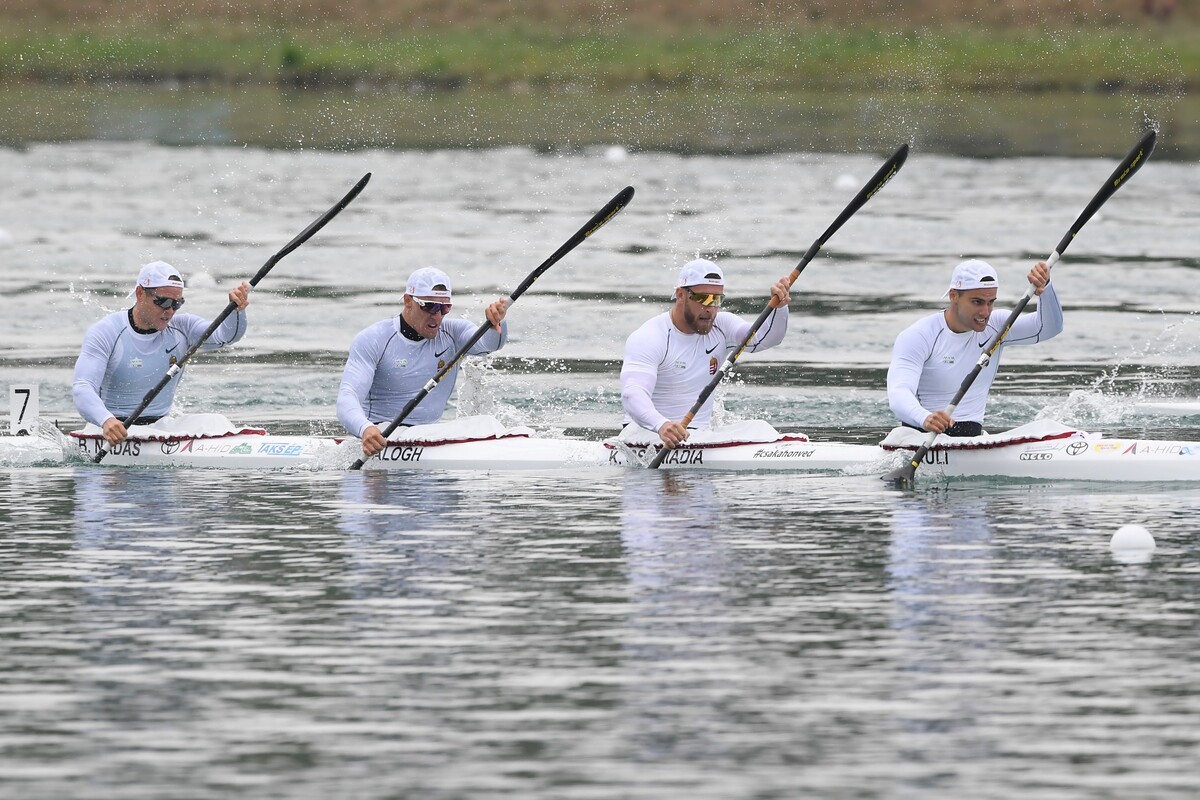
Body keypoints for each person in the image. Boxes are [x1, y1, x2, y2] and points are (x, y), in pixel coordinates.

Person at [72, 260, 251, 446]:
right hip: (113, 432)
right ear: (140, 293)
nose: (170, 310)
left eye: (177, 303)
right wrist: (105, 420)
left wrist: (236, 311)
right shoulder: (107, 331)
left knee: (216, 421)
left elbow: (226, 337)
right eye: (163, 302)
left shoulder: (183, 328)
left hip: (161, 428)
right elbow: (82, 386)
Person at [620, 258, 792, 448]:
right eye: (703, 298)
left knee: (759, 427)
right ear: (680, 295)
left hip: (699, 436)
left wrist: (780, 307)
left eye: (716, 299)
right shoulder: (651, 336)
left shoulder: (722, 326)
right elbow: (632, 393)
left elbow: (765, 338)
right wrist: (662, 425)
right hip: (648, 435)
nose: (710, 308)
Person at [337, 267, 509, 457]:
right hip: (382, 436)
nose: (437, 315)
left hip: (429, 434)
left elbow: (490, 345)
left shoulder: (454, 333)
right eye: (429, 306)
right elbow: (348, 395)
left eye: (444, 307)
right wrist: (365, 429)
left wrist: (496, 322)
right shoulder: (375, 339)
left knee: (485, 422)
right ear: (408, 301)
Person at [887, 258, 1063, 437]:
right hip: (920, 439)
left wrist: (1046, 289)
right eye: (977, 302)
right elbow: (898, 392)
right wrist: (925, 418)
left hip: (972, 440)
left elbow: (1049, 328)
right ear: (953, 296)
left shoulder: (998, 327)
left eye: (991, 302)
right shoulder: (920, 335)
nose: (985, 313)